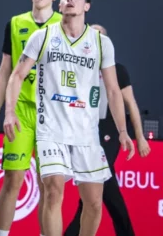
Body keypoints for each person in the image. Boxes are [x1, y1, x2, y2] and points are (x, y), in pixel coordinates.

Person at [3, 0, 134, 236]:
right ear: (59, 3)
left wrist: (122, 131)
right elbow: (16, 75)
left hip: (86, 133)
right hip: (50, 129)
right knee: (53, 191)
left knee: (94, 203)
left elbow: (113, 90)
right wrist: (9, 112)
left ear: (87, 5)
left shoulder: (100, 43)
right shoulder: (42, 37)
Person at [0, 0, 62, 236]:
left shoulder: (64, 25)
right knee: (12, 180)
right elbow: (4, 71)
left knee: (49, 185)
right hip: (19, 112)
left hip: (52, 116)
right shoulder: (16, 23)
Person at [63, 24, 149, 236]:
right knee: (96, 189)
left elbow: (131, 104)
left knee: (102, 178)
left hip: (110, 126)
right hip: (86, 127)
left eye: (98, 36)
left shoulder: (117, 70)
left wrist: (139, 136)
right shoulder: (79, 67)